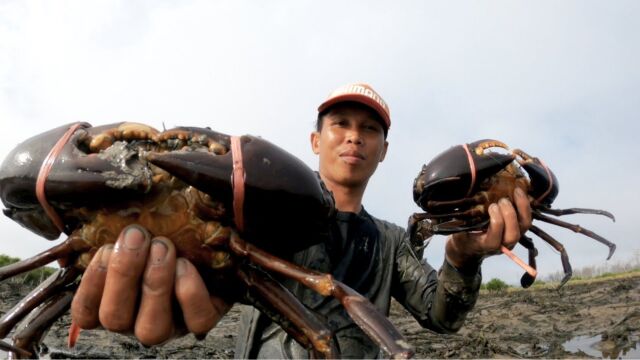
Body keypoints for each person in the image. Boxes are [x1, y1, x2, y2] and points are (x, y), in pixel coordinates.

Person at [71, 83, 531, 358]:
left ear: (384, 151)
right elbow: (207, 276)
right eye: (341, 124)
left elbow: (441, 316)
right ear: (315, 140)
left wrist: (464, 257)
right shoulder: (255, 213)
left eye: (370, 129)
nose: (355, 137)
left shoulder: (391, 242)